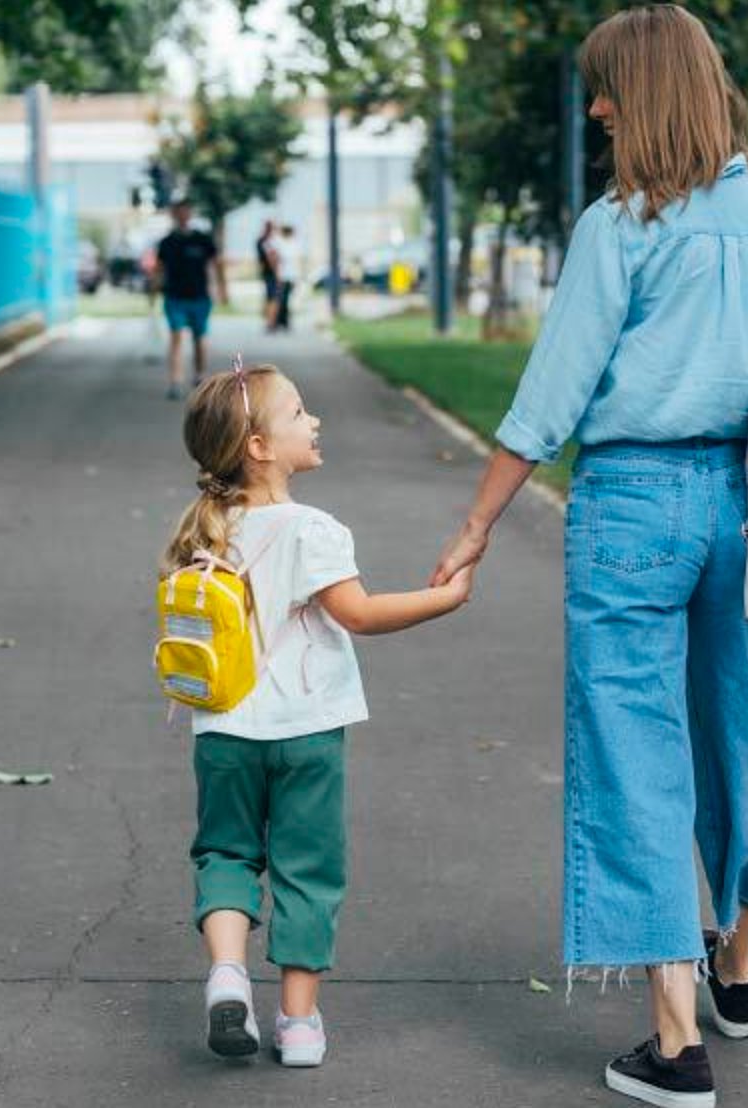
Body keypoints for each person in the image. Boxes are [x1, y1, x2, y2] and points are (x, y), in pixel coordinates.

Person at [430, 7, 748, 1106]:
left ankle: (676, 1043)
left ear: (649, 93)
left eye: (607, 89)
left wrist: (478, 522)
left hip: (634, 503)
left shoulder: (622, 223)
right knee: (735, 727)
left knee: (635, 747)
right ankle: (738, 963)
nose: (596, 107)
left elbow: (553, 395)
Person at [161, 361, 475, 1066]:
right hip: (307, 734)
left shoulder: (204, 529)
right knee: (309, 868)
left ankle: (227, 974)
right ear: (261, 448)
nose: (316, 421)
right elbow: (358, 614)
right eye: (300, 412)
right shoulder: (314, 529)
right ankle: (298, 1024)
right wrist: (445, 600)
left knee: (226, 852)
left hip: (223, 731)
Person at [156, 199, 226, 399]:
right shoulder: (167, 242)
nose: (182, 215)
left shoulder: (202, 239)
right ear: (173, 215)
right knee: (176, 336)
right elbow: (159, 269)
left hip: (199, 297)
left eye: (186, 211)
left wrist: (222, 288)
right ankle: (175, 381)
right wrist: (153, 288)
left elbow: (216, 263)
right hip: (174, 297)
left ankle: (199, 375)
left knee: (199, 338)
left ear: (191, 213)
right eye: (178, 212)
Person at [268, 224, 301, 332]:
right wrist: (277, 275)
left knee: (286, 300)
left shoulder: (293, 244)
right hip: (282, 276)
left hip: (291, 276)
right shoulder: (279, 243)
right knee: (280, 300)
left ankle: (283, 321)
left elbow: (295, 262)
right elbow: (274, 259)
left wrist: (296, 278)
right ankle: (277, 322)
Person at [256, 220, 279, 331]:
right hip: (271, 273)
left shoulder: (260, 241)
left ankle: (269, 320)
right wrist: (277, 274)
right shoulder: (267, 242)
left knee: (269, 297)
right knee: (273, 298)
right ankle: (271, 322)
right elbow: (271, 259)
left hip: (266, 272)